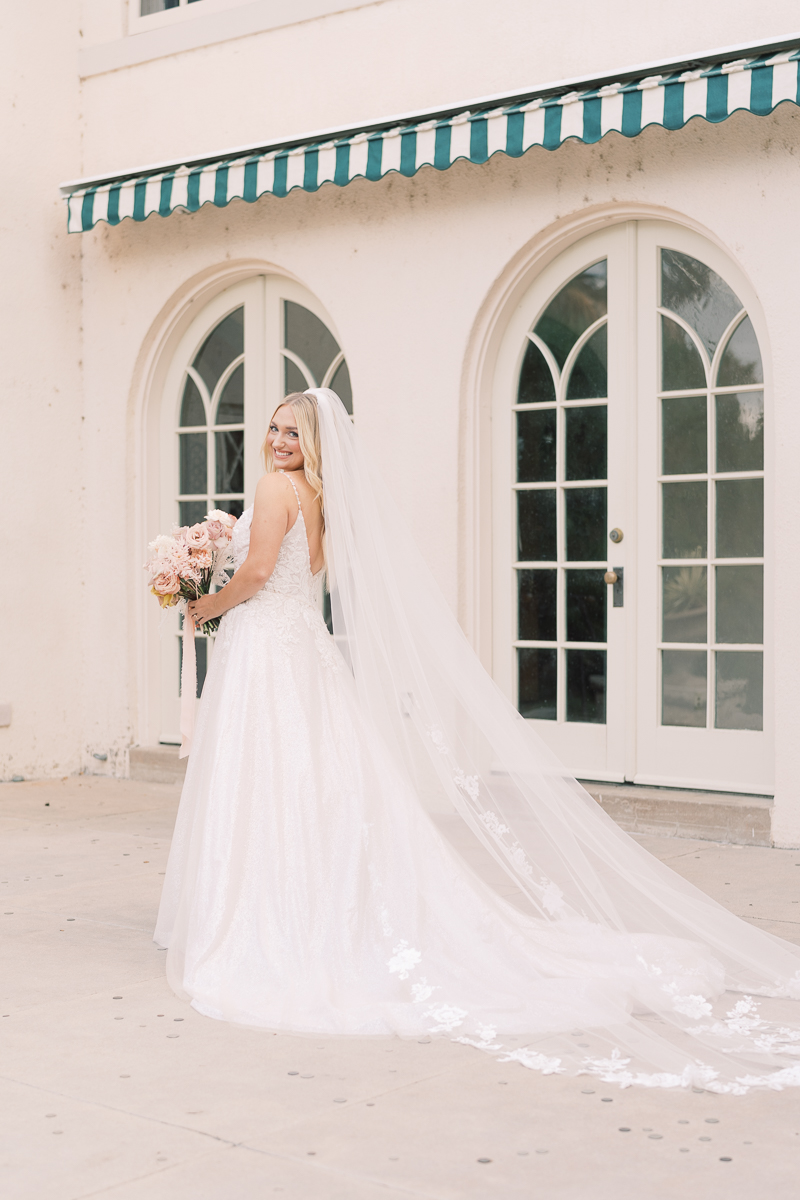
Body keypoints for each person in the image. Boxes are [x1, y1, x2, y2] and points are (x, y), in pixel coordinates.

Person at [156, 389, 800, 1093]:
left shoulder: (275, 487)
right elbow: (299, 572)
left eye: (291, 430)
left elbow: (256, 573)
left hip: (271, 652)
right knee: (311, 777)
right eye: (274, 428)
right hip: (298, 644)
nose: (278, 439)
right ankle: (302, 894)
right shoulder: (317, 493)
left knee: (273, 777)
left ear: (310, 439)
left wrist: (206, 603)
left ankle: (272, 915)